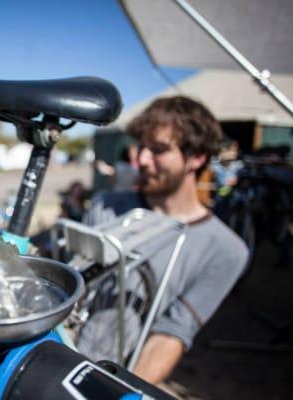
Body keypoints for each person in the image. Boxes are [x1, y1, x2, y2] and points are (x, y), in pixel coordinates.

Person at [79, 96, 249, 384]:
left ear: (196, 157)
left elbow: (173, 332)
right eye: (141, 146)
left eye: (158, 150)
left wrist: (118, 391)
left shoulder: (226, 250)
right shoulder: (106, 207)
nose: (141, 160)